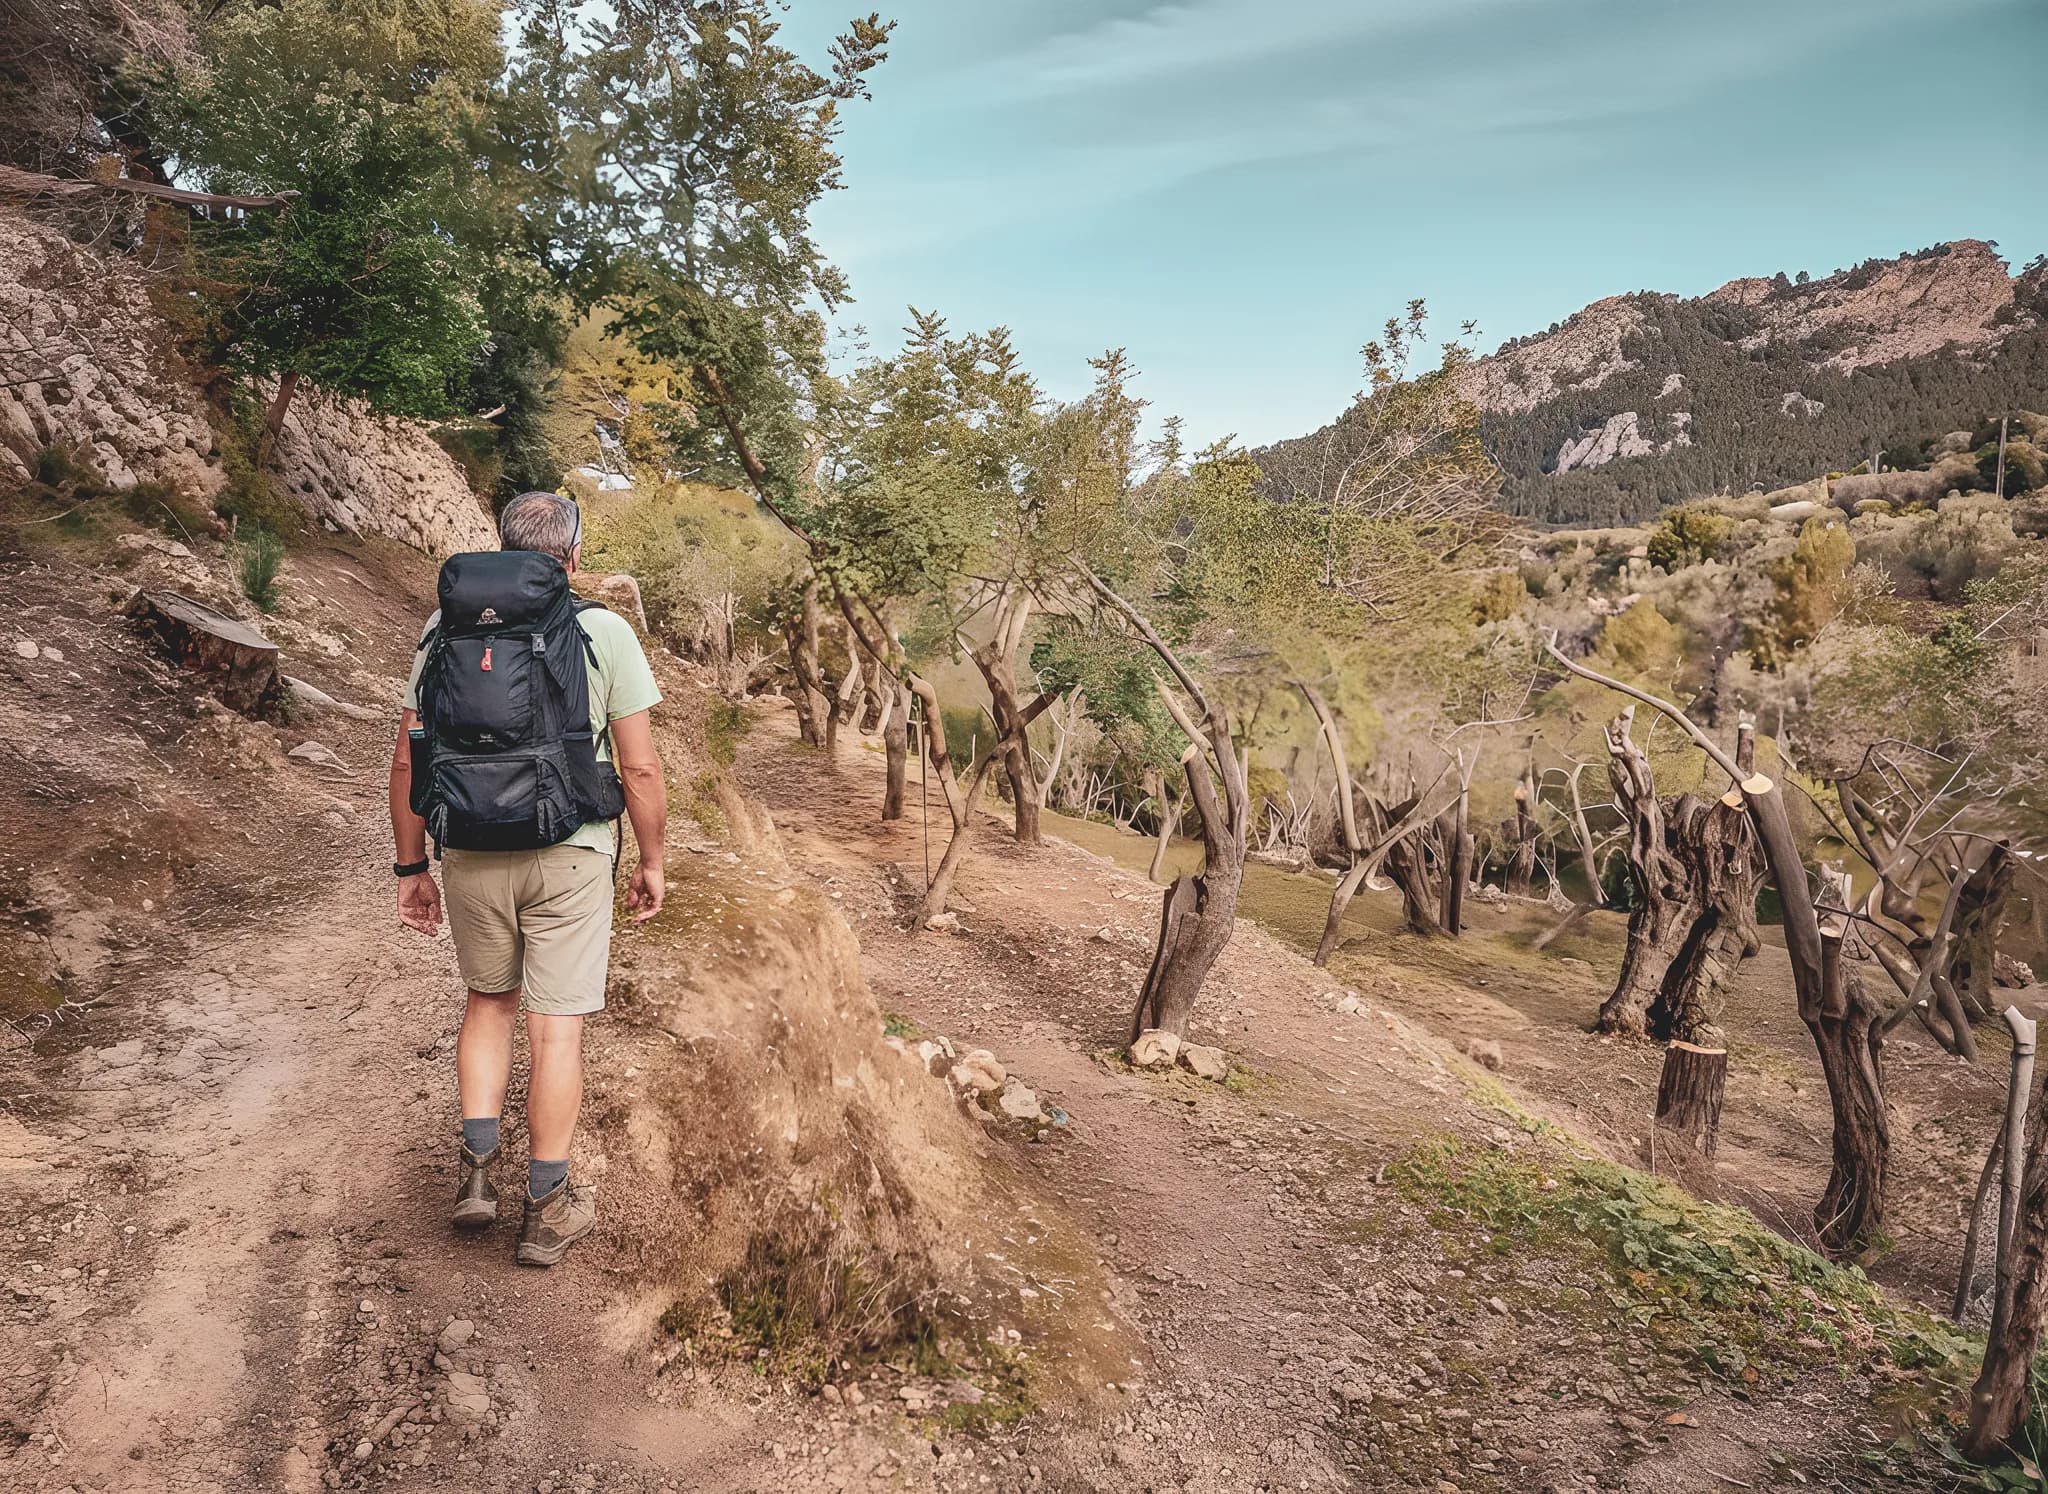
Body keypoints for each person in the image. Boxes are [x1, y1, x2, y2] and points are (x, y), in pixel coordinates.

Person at [387, 491, 667, 1267]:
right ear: (571, 557)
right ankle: (545, 1204)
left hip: (471, 846)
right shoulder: (602, 630)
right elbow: (638, 765)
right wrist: (651, 861)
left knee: (488, 1003)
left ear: (506, 548)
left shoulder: (441, 630)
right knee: (557, 1026)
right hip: (571, 850)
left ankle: (477, 1173)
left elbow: (410, 759)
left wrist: (412, 867)